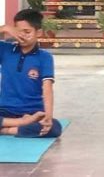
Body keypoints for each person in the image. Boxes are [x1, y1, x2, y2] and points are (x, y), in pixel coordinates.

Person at [0, 9, 62, 138]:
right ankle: (20, 124)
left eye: (27, 32)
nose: (22, 36)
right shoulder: (5, 49)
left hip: (34, 113)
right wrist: (4, 29)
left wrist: (48, 117)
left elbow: (47, 88)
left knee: (55, 128)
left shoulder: (45, 57)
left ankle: (6, 130)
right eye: (18, 32)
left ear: (38, 32)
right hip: (5, 110)